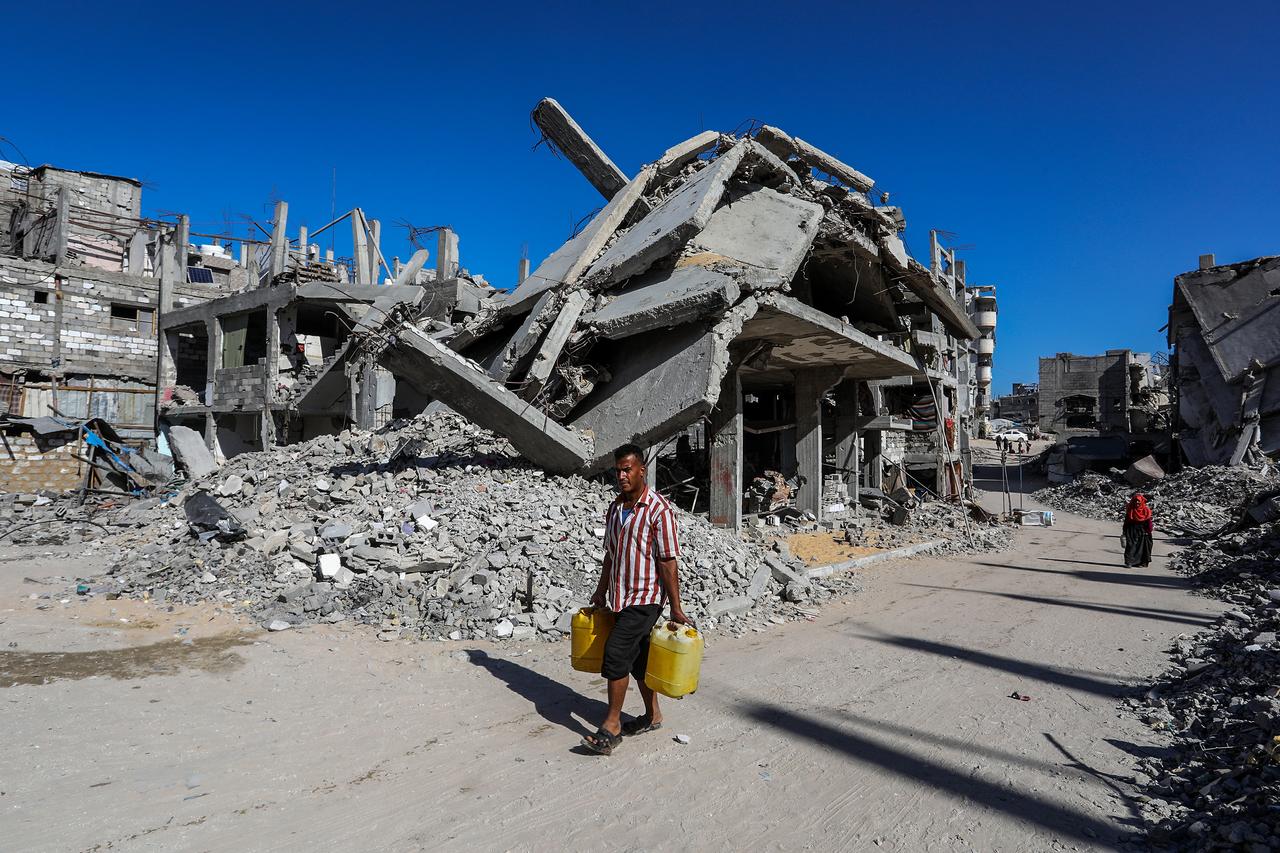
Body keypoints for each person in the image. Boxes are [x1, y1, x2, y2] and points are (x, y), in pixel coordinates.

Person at [581, 444, 691, 756]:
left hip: (646, 598)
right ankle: (653, 715)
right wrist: (601, 591)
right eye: (618, 470)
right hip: (620, 597)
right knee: (640, 658)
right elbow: (610, 554)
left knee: (616, 652)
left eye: (627, 470)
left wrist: (676, 607)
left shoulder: (658, 510)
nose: (622, 476)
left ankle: (612, 725)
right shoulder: (616, 508)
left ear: (642, 470)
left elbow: (667, 561)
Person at [1122, 493, 1154, 567]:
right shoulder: (1130, 509)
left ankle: (1141, 563)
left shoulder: (1146, 510)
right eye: (1136, 501)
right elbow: (1126, 521)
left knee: (1142, 547)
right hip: (1131, 529)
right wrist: (1124, 531)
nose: (1137, 502)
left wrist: (1148, 531)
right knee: (1131, 546)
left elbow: (1149, 521)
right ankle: (1129, 562)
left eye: (1138, 501)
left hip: (1143, 530)